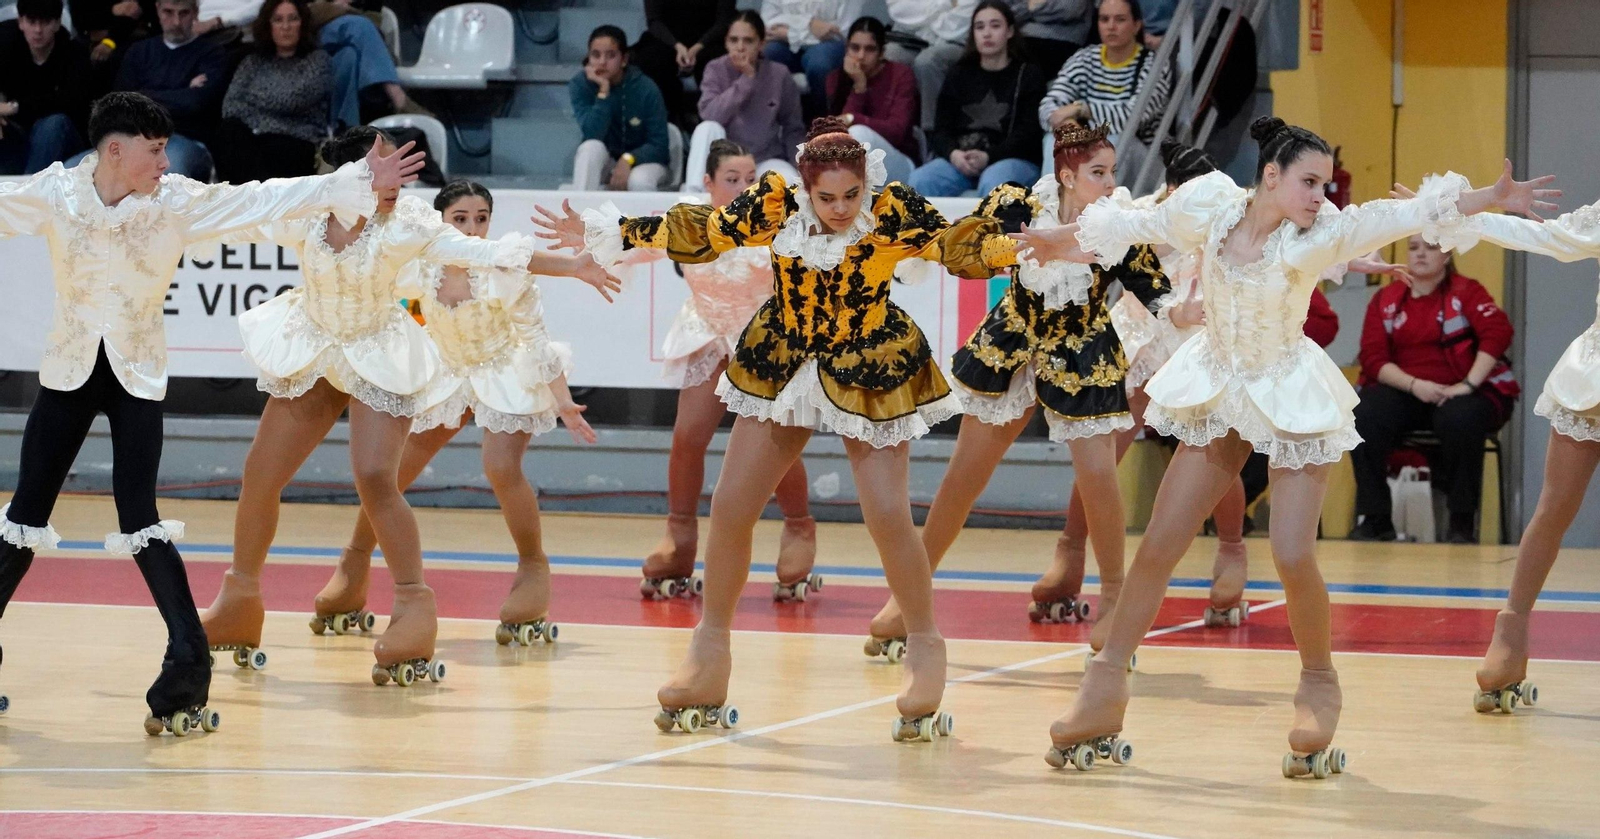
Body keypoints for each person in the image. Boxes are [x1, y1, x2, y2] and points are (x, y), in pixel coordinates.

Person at [1015, 116, 1553, 777]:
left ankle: (1319, 682)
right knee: (1158, 543)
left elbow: (1402, 210)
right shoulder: (1208, 206)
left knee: (1294, 551)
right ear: (1270, 175)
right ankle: (1102, 690)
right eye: (1308, 181)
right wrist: (1056, 239)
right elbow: (1131, 227)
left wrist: (1485, 199)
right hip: (1220, 384)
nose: (1320, 195)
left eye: (1325, 184)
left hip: (1290, 391)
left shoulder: (1320, 232)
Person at [535, 116, 1024, 741]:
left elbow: (962, 247)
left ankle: (926, 645)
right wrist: (614, 231)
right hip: (783, 357)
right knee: (733, 506)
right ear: (805, 187)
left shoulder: (891, 209)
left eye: (852, 195)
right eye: (828, 197)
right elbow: (705, 233)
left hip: (869, 358)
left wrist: (1027, 246)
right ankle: (709, 653)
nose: (842, 209)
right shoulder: (774, 204)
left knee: (886, 515)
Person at [0, 91, 422, 733]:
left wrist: (359, 178)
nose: (167, 161)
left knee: (139, 515)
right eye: (154, 149)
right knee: (23, 518)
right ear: (115, 150)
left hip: (135, 378)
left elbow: (262, 198)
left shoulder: (176, 202)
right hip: (68, 373)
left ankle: (186, 668)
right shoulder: (56, 193)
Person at [197, 126, 619, 686]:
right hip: (316, 344)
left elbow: (486, 252)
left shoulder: (412, 223)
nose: (398, 182)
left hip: (379, 349)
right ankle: (241, 599)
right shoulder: (306, 212)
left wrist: (572, 267)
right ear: (348, 177)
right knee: (259, 473)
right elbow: (240, 208)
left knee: (376, 474)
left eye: (402, 169)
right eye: (383, 169)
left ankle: (415, 607)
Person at [865, 122, 1180, 663]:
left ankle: (1113, 598)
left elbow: (1150, 282)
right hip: (1012, 342)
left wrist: (1178, 312)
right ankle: (909, 596)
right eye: (1097, 174)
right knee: (964, 477)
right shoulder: (1016, 202)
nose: (1109, 183)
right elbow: (967, 245)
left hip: (1082, 350)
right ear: (1067, 175)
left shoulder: (1119, 221)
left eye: (1112, 173)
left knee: (1099, 475)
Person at [316, 180, 599, 647]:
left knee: (500, 466)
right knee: (391, 472)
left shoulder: (503, 267)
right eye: (461, 219)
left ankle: (533, 566)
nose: (473, 228)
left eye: (482, 218)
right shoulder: (420, 262)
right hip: (446, 369)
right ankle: (354, 563)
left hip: (504, 367)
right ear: (442, 221)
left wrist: (562, 400)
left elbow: (535, 337)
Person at [608, 140, 819, 602]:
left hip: (765, 339)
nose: (745, 187)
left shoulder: (777, 222)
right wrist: (595, 249)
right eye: (732, 179)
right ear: (708, 184)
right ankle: (679, 537)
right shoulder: (690, 217)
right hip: (707, 330)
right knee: (688, 436)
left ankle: (799, 527)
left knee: (776, 444)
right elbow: (639, 241)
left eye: (750, 178)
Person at [1458, 195, 1600, 715]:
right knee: (1553, 509)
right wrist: (1467, 215)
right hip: (1593, 378)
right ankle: (1511, 632)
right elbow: (1541, 237)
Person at [1350, 235, 1518, 544]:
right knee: (1364, 414)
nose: (1420, 254)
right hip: (1407, 392)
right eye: (1413, 248)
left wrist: (1467, 385)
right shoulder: (1386, 299)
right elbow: (1374, 359)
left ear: (1447, 253)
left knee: (1462, 418)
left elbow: (1498, 333)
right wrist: (1416, 386)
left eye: (1430, 247)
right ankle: (1375, 518)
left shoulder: (1467, 291)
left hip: (1459, 393)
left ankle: (1461, 522)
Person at [907, 0, 1047, 198]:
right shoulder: (959, 73)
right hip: (961, 159)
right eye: (979, 27)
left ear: (1010, 31)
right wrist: (953, 154)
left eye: (995, 26)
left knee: (994, 182)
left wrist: (989, 157)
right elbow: (941, 129)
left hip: (1012, 159)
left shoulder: (1028, 74)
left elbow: (1028, 135)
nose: (987, 33)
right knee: (920, 180)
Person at [213, 0, 329, 182]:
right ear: (269, 25)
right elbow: (231, 106)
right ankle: (252, 202)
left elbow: (292, 101)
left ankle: (258, 204)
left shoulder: (317, 61)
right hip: (254, 140)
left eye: (293, 19)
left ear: (303, 24)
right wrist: (268, 119)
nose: (286, 27)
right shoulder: (252, 62)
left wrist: (252, 98)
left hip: (296, 141)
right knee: (229, 132)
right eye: (278, 20)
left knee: (275, 146)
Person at [686, 10, 804, 187]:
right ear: (726, 42)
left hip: (764, 159)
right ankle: (693, 196)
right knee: (706, 128)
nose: (740, 47)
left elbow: (792, 128)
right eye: (734, 40)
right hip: (724, 161)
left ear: (761, 44)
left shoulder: (779, 74)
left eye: (748, 40)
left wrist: (801, 168)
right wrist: (746, 81)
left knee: (788, 181)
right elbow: (709, 114)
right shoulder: (715, 68)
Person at [110, 0, 226, 179]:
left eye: (184, 13)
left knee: (166, 174)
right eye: (169, 13)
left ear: (195, 12)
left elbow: (196, 103)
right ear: (157, 10)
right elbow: (120, 105)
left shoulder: (212, 54)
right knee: (74, 173)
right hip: (133, 138)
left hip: (186, 139)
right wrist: (182, 89)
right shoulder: (139, 51)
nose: (176, 22)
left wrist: (142, 94)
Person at [1038, 0, 1170, 153]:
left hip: (1142, 155)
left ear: (1136, 26)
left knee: (1111, 141)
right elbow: (1049, 105)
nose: (1111, 26)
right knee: (1056, 138)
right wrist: (1067, 125)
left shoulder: (1154, 64)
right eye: (1104, 19)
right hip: (1088, 144)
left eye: (1120, 19)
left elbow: (1133, 119)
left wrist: (1082, 109)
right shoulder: (1084, 58)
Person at [570, 24, 672, 192]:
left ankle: (643, 219)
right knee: (590, 148)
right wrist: (604, 91)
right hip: (606, 160)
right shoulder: (580, 84)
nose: (602, 62)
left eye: (610, 56)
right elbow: (592, 133)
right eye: (596, 55)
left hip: (645, 162)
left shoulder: (646, 88)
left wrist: (628, 159)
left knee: (639, 179)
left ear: (624, 59)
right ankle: (581, 215)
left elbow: (659, 146)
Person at [0, 0, 91, 175]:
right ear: (21, 22)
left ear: (57, 24)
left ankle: (28, 194)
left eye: (45, 22)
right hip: (19, 131)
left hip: (65, 137)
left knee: (53, 123)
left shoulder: (74, 53)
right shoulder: (8, 46)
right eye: (32, 22)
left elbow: (68, 100)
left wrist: (14, 107)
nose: (38, 30)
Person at [825, 16, 918, 184]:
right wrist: (859, 87)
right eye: (855, 48)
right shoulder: (835, 79)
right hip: (849, 167)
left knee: (858, 133)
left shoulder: (901, 75)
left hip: (897, 161)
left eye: (869, 49)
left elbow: (897, 132)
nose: (861, 56)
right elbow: (837, 132)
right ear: (846, 49)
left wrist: (853, 119)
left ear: (882, 52)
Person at [632, 0, 736, 127]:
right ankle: (665, 121)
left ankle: (710, 124)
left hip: (710, 39)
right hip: (668, 40)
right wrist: (677, 46)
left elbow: (724, 20)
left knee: (720, 62)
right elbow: (654, 21)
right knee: (650, 60)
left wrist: (697, 47)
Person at [883, 0, 975, 130]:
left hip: (954, 43)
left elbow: (957, 26)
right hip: (911, 40)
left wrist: (923, 14)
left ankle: (933, 132)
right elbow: (898, 9)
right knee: (889, 54)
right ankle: (890, 127)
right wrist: (946, 4)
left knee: (927, 62)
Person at [760, 0, 849, 117]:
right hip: (784, 41)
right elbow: (767, 20)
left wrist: (791, 33)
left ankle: (822, 118)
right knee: (769, 54)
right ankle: (771, 119)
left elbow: (841, 32)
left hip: (829, 43)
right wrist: (809, 23)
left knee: (819, 65)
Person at [1008, 0, 1090, 78]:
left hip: (1061, 42)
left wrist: (1029, 9)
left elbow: (1070, 9)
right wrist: (1032, 6)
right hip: (1019, 40)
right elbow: (1005, 13)